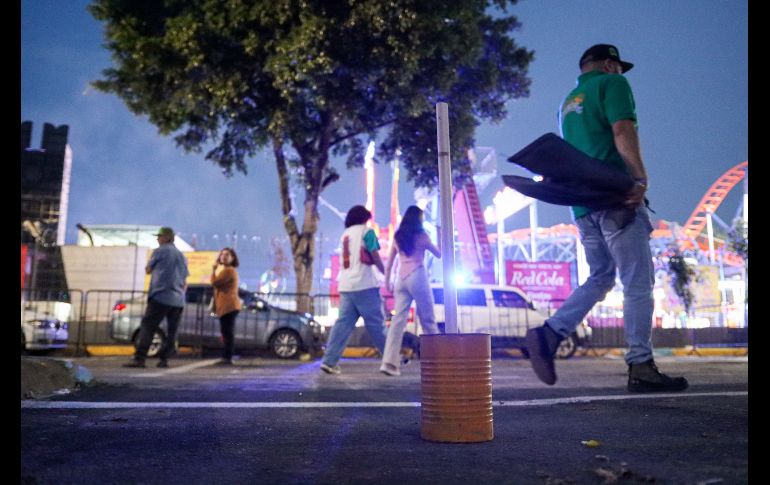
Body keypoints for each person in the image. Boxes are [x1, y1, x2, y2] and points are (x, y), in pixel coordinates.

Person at [525, 44, 688, 393]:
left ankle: (550, 333)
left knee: (601, 276)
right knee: (638, 282)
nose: (620, 73)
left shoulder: (567, 102)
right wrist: (639, 179)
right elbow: (622, 131)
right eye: (618, 67)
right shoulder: (612, 85)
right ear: (610, 64)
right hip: (616, 197)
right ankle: (641, 365)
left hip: (583, 205)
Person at [320, 205, 387, 375]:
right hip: (365, 285)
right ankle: (391, 360)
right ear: (365, 218)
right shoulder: (367, 232)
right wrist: (385, 272)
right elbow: (375, 254)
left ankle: (329, 361)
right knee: (377, 325)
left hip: (346, 285)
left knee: (342, 326)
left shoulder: (345, 234)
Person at [379, 206, 441, 376]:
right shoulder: (422, 236)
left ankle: (389, 363)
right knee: (428, 320)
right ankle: (438, 361)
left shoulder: (398, 236)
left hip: (401, 279)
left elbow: (390, 262)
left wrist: (387, 282)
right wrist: (440, 235)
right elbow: (439, 254)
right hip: (417, 275)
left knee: (398, 322)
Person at [124, 227, 189, 368]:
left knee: (148, 327)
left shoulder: (160, 251)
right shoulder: (182, 256)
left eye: (159, 236)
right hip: (178, 299)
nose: (157, 239)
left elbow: (148, 269)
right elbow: (185, 280)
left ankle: (140, 358)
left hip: (160, 296)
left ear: (166, 237)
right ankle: (164, 359)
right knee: (172, 330)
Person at [210, 247, 243, 366]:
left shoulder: (228, 271)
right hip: (228, 306)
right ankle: (226, 356)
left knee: (227, 332)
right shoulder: (227, 270)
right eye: (222, 254)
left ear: (232, 258)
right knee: (226, 332)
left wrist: (213, 270)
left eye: (227, 255)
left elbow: (215, 283)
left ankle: (227, 357)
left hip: (229, 306)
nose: (223, 256)